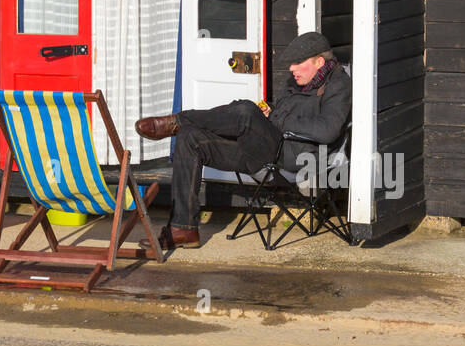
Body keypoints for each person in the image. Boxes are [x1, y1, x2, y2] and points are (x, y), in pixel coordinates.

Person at [134, 31, 352, 249]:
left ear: (319, 61)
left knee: (246, 111)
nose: (291, 69)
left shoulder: (338, 85)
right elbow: (281, 113)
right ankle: (183, 228)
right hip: (265, 149)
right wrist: (270, 112)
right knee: (189, 138)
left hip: (295, 155)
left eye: (298, 63)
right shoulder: (296, 83)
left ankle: (179, 120)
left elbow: (328, 130)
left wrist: (276, 120)